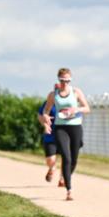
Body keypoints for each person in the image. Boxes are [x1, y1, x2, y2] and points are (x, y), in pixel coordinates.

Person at [42, 69, 90, 201]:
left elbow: (87, 108)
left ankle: (65, 175)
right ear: (59, 79)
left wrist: (76, 109)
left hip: (75, 127)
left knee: (73, 159)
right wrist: (46, 117)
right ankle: (69, 190)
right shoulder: (53, 95)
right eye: (62, 80)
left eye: (67, 81)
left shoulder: (76, 92)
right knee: (66, 157)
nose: (65, 83)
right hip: (60, 128)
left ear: (71, 80)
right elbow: (46, 110)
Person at [38, 85, 62, 185]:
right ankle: (52, 167)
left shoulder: (68, 103)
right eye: (57, 91)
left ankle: (62, 179)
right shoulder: (48, 102)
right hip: (50, 134)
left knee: (65, 157)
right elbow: (40, 115)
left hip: (64, 134)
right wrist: (45, 125)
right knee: (50, 159)